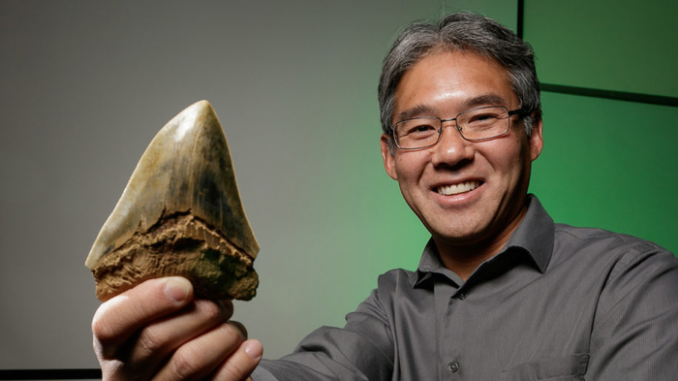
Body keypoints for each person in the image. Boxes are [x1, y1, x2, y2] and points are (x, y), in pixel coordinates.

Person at [91, 12, 678, 381]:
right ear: (390, 157)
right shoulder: (390, 307)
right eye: (420, 129)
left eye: (482, 117)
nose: (449, 152)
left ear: (534, 133)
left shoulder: (633, 282)